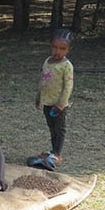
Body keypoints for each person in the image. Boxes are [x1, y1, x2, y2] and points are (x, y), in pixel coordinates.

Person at [34, 28, 74, 168]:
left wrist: (61, 105)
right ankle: (52, 150)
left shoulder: (66, 66)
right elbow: (42, 81)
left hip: (59, 105)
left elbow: (68, 87)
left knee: (59, 128)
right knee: (52, 128)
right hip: (47, 103)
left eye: (62, 48)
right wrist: (39, 97)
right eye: (55, 47)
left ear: (68, 50)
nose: (58, 51)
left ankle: (57, 153)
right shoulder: (47, 61)